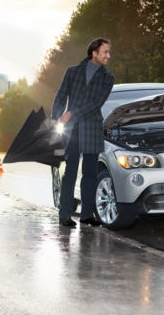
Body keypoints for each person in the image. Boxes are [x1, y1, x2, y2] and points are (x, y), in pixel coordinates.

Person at [51, 37, 115, 227]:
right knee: (70, 172)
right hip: (73, 131)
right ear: (94, 53)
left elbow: (95, 104)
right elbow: (61, 95)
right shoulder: (72, 72)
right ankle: (65, 215)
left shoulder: (108, 78)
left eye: (109, 52)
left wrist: (71, 113)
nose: (108, 56)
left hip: (92, 128)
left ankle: (87, 215)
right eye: (105, 52)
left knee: (90, 174)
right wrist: (55, 116)